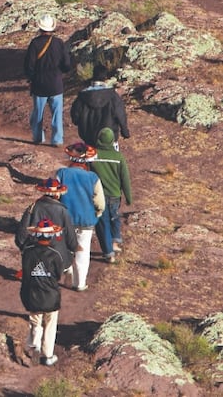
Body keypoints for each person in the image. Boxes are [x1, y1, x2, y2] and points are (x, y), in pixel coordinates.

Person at [55, 142, 105, 291]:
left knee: (64, 246)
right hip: (86, 220)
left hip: (65, 218)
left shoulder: (62, 173)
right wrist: (98, 212)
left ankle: (67, 267)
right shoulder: (93, 177)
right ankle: (79, 283)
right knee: (82, 252)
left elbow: (55, 194)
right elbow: (100, 201)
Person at [20, 218, 66, 367]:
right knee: (50, 325)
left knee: (35, 322)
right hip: (51, 296)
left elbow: (25, 273)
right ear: (51, 236)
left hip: (32, 294)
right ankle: (48, 355)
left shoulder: (27, 253)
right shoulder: (55, 255)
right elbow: (59, 275)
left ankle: (35, 344)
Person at [24, 14, 72, 146]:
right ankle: (57, 139)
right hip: (56, 84)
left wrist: (31, 78)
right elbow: (67, 64)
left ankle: (38, 137)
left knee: (38, 113)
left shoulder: (34, 43)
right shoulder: (59, 43)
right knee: (57, 114)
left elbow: (29, 65)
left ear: (40, 28)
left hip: (39, 84)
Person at [15, 178, 77, 274]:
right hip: (58, 254)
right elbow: (70, 235)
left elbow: (22, 233)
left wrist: (24, 248)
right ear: (57, 194)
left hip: (36, 253)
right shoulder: (62, 210)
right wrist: (73, 249)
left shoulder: (33, 207)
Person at [92, 127, 133, 261]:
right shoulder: (118, 157)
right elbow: (125, 178)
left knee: (102, 222)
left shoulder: (94, 156)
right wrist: (128, 197)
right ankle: (115, 242)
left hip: (99, 195)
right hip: (115, 195)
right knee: (114, 217)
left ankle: (108, 252)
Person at [71, 73, 131, 149]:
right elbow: (120, 115)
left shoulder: (82, 97)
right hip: (110, 138)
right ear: (105, 79)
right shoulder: (113, 96)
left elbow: (75, 117)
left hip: (89, 139)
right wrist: (125, 132)